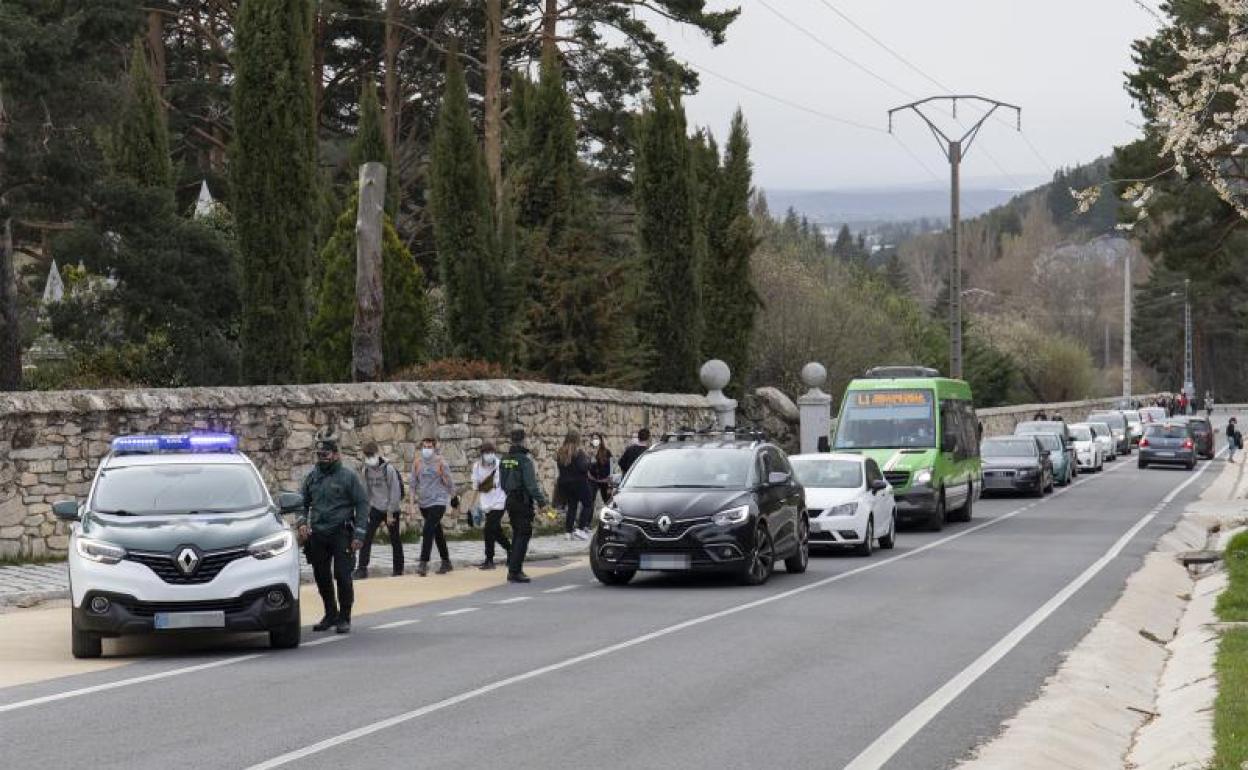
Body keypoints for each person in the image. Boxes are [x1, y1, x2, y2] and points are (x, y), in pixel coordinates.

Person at [298, 436, 369, 634]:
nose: (322, 458)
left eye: (326, 454)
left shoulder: (348, 477)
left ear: (336, 455)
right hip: (318, 533)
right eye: (319, 455)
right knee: (321, 575)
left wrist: (359, 534)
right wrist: (302, 522)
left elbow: (362, 504)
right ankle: (330, 613)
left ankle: (344, 617)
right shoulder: (312, 477)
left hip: (341, 532)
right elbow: (301, 502)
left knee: (342, 575)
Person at [500, 429, 549, 583]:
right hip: (522, 501)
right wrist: (542, 502)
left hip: (510, 500)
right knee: (523, 535)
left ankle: (514, 568)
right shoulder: (524, 460)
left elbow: (502, 483)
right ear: (523, 441)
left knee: (517, 534)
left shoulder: (505, 459)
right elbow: (531, 486)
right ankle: (515, 571)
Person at [354, 441, 404, 579]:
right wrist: (367, 511)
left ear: (377, 453)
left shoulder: (388, 469)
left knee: (395, 539)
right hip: (375, 508)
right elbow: (366, 492)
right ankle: (362, 569)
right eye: (367, 455)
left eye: (371, 455)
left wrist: (390, 513)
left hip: (391, 508)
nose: (369, 457)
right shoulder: (366, 470)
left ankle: (398, 569)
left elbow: (395, 492)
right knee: (366, 537)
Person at [411, 437, 455, 576]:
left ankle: (423, 563)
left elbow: (450, 483)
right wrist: (411, 505)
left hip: (439, 501)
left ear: (434, 448)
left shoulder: (441, 463)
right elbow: (413, 485)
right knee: (437, 532)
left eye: (429, 447)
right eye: (424, 446)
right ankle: (446, 561)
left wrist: (455, 502)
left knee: (428, 529)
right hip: (424, 503)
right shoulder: (417, 462)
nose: (427, 449)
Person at [472, 442, 510, 570]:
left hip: (500, 501)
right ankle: (511, 550)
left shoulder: (500, 465)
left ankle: (489, 559)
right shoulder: (477, 467)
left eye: (491, 452)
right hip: (486, 503)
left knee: (488, 529)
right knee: (496, 531)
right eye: (487, 453)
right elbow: (475, 486)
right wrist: (473, 505)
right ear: (482, 454)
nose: (490, 455)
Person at [556, 431, 593, 541]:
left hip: (565, 484)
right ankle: (581, 530)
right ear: (577, 439)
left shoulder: (560, 452)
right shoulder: (578, 452)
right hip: (579, 483)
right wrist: (589, 461)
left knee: (572, 507)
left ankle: (568, 532)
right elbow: (583, 468)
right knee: (588, 504)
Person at [588, 432, 614, 508]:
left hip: (604, 481)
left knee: (608, 501)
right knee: (590, 501)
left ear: (600, 440)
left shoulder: (607, 452)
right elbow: (588, 466)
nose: (595, 440)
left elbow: (611, 467)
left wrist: (610, 485)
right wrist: (592, 455)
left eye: (596, 438)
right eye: (593, 439)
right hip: (593, 480)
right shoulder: (590, 452)